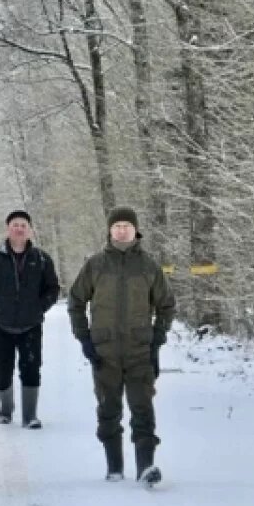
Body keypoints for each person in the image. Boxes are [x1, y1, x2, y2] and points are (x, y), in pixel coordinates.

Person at [68, 207, 175, 485]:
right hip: (105, 352)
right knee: (108, 409)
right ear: (110, 230)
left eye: (127, 225)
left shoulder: (149, 266)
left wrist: (157, 338)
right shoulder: (95, 265)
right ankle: (114, 467)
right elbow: (76, 302)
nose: (122, 230)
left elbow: (166, 305)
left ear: (135, 230)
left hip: (140, 351)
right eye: (117, 226)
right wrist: (85, 338)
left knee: (142, 409)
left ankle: (145, 467)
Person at [0, 210, 61, 429]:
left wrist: (38, 307)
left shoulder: (41, 259)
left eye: (23, 225)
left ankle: (30, 415)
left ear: (29, 229)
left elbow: (53, 288)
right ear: (8, 229)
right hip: (0, 325)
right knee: (2, 370)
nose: (19, 228)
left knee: (31, 368)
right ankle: (6, 409)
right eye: (15, 224)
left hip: (31, 325)